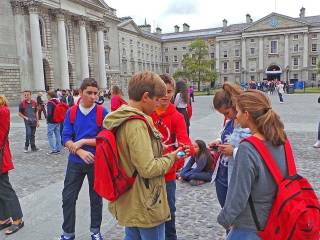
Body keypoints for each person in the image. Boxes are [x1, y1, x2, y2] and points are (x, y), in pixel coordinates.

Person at [103, 71, 182, 240]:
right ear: (146, 97)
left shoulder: (121, 117)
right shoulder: (137, 124)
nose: (158, 105)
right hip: (146, 201)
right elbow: (148, 168)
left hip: (131, 198)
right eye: (156, 100)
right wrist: (172, 157)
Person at [217, 89, 289, 239]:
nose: (235, 116)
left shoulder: (247, 148)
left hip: (251, 224)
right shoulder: (281, 140)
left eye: (237, 111)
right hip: (277, 219)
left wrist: (224, 219)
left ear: (247, 114)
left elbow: (238, 194)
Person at [60, 78, 108, 240]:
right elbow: (65, 138)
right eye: (89, 93)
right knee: (68, 197)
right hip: (75, 162)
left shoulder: (102, 112)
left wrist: (83, 141)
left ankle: (95, 230)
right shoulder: (71, 112)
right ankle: (68, 233)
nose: (93, 96)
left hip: (96, 162)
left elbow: (105, 138)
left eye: (96, 93)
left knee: (96, 198)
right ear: (80, 93)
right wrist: (80, 151)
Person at [150, 74, 194, 240]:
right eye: (162, 91)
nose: (166, 95)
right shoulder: (147, 115)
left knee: (169, 212)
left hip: (167, 174)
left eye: (169, 91)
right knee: (148, 212)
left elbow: (185, 144)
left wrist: (182, 154)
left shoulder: (177, 117)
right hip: (148, 173)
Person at [209, 83, 243, 210]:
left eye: (227, 112)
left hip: (235, 178)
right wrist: (219, 142)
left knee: (234, 219)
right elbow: (226, 135)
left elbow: (254, 153)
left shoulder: (247, 124)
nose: (226, 117)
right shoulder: (230, 121)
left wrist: (233, 151)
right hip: (222, 175)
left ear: (234, 105)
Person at [0, 95, 24, 235]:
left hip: (1, 157)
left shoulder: (3, 111)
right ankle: (3, 219)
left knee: (5, 188)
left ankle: (17, 219)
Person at [46, 90, 62, 155]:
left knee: (50, 135)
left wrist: (47, 119)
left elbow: (49, 113)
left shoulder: (50, 103)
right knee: (58, 134)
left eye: (47, 95)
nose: (47, 97)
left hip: (51, 122)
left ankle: (53, 149)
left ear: (50, 96)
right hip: (57, 121)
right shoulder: (57, 101)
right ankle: (58, 149)